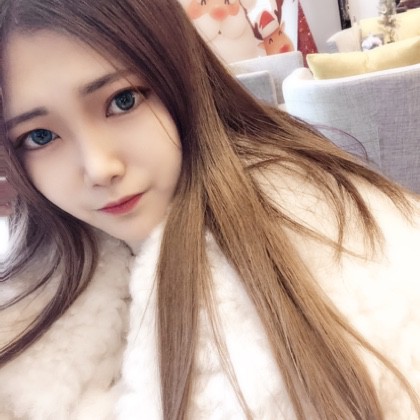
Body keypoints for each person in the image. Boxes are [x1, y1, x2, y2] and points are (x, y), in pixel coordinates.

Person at [0, 1, 419, 419]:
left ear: (180, 77)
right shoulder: (25, 298)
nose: (99, 168)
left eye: (123, 100)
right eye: (40, 136)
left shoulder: (345, 262)